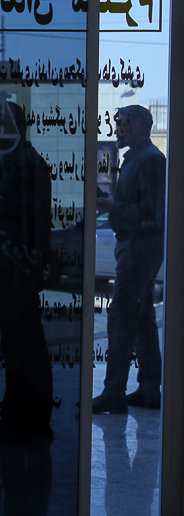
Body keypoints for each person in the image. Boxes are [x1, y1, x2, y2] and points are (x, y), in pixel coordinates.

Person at [0, 101, 54, 444]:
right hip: (6, 272)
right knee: (17, 346)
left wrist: (25, 270)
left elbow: (35, 226)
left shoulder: (27, 164)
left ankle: (27, 421)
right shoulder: (9, 163)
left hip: (18, 273)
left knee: (25, 347)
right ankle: (21, 419)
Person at [92, 104, 166, 413]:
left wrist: (112, 206)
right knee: (144, 319)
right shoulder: (136, 159)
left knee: (121, 316)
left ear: (136, 125)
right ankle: (149, 389)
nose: (117, 129)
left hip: (140, 247)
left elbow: (151, 214)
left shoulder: (150, 160)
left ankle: (114, 392)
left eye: (121, 123)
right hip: (133, 246)